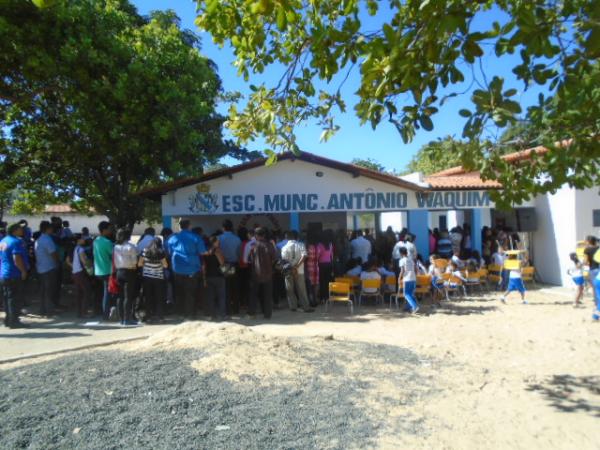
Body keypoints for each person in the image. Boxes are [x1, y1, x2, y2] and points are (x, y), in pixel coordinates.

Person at [166, 218, 206, 319]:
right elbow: (202, 252)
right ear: (189, 226)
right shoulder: (196, 237)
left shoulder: (173, 238)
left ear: (180, 226)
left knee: (179, 292)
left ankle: (180, 313)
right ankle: (190, 314)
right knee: (191, 292)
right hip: (192, 268)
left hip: (177, 268)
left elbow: (169, 253)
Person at [0, 224, 29, 328]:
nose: (22, 230)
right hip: (14, 273)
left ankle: (8, 320)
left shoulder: (3, 241)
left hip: (4, 273)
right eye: (20, 228)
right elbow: (16, 258)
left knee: (7, 298)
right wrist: (23, 271)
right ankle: (14, 321)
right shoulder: (16, 241)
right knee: (15, 299)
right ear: (15, 230)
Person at [281, 230, 314, 313]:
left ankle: (293, 306)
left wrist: (292, 267)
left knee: (290, 289)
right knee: (301, 289)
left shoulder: (284, 247)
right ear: (296, 237)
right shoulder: (301, 245)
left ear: (286, 237)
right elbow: (304, 256)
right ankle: (306, 307)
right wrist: (297, 266)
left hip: (288, 271)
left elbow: (284, 261)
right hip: (299, 271)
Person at [249, 227, 277, 319]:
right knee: (267, 295)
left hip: (256, 275)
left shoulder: (253, 246)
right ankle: (267, 314)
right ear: (264, 235)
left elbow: (251, 260)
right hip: (268, 274)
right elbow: (274, 259)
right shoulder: (269, 245)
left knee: (254, 295)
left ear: (256, 236)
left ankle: (252, 314)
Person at [138, 237, 168, 323]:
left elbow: (139, 264)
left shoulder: (145, 250)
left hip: (147, 277)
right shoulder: (161, 252)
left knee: (148, 297)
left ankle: (148, 316)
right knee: (159, 297)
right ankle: (160, 317)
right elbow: (165, 265)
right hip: (158, 277)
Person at [113, 228, 139, 325]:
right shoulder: (130, 247)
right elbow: (134, 261)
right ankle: (127, 319)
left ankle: (121, 319)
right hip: (129, 272)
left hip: (119, 271)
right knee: (128, 296)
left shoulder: (115, 247)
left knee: (120, 296)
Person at [35, 221, 60, 316]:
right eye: (50, 228)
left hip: (41, 267)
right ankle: (49, 310)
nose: (52, 229)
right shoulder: (47, 240)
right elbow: (53, 253)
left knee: (43, 290)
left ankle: (42, 309)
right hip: (48, 268)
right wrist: (57, 262)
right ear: (47, 229)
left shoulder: (39, 239)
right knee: (49, 290)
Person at [218, 219, 242, 315]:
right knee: (235, 288)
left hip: (223, 265)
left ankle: (227, 310)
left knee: (225, 288)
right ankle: (236, 309)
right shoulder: (237, 239)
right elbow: (239, 254)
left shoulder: (218, 238)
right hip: (234, 264)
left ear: (223, 228)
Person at [202, 236, 227, 321]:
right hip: (219, 276)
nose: (219, 242)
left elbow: (204, 266)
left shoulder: (206, 252)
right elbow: (222, 263)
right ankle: (221, 314)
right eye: (218, 241)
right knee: (221, 296)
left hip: (209, 276)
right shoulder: (218, 251)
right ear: (215, 242)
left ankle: (211, 315)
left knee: (210, 297)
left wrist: (204, 278)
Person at [93, 221, 115, 320]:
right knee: (108, 294)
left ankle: (98, 311)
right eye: (109, 229)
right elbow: (113, 255)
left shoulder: (96, 240)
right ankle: (106, 315)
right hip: (107, 270)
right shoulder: (107, 242)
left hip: (98, 271)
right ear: (104, 230)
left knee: (100, 293)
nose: (111, 231)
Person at [71, 233, 93, 318]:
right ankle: (85, 312)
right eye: (82, 238)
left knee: (79, 293)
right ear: (78, 240)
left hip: (75, 272)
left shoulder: (75, 248)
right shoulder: (80, 249)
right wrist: (90, 264)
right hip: (80, 272)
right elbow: (84, 261)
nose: (84, 240)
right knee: (87, 291)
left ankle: (79, 312)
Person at [398, 247, 419, 313]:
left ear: (401, 253)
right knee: (410, 293)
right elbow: (416, 269)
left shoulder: (402, 260)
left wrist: (399, 278)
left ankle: (414, 306)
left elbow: (402, 270)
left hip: (407, 278)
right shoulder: (411, 259)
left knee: (406, 294)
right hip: (413, 278)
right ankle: (408, 307)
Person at [317, 230, 335, 303]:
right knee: (328, 281)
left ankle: (322, 298)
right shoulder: (330, 244)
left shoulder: (320, 245)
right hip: (329, 264)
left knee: (322, 282)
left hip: (321, 265)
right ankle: (328, 297)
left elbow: (318, 255)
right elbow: (332, 255)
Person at [305, 233, 320, 306]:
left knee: (309, 285)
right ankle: (316, 299)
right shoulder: (318, 247)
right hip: (316, 267)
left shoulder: (308, 247)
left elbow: (306, 257)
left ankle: (311, 301)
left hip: (309, 266)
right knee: (316, 284)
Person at [584, 236, 599, 305]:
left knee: (594, 286)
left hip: (593, 269)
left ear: (588, 241)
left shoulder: (587, 250)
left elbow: (586, 262)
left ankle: (597, 302)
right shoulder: (598, 248)